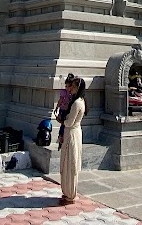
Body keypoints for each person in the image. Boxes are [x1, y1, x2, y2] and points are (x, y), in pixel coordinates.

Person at [59, 76, 87, 205]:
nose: (71, 90)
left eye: (74, 87)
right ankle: (67, 192)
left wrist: (61, 121)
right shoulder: (79, 101)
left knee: (71, 163)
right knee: (67, 162)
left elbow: (70, 122)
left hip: (72, 133)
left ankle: (70, 194)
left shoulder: (77, 103)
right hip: (72, 132)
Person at [53, 73, 75, 150]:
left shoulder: (73, 95)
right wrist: (57, 107)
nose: (67, 88)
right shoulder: (64, 92)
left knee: (66, 125)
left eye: (68, 86)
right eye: (66, 86)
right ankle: (60, 138)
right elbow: (60, 100)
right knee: (62, 124)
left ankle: (62, 138)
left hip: (68, 111)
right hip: (63, 110)